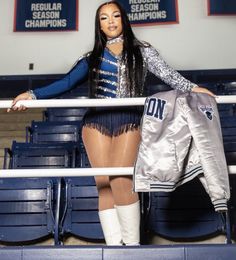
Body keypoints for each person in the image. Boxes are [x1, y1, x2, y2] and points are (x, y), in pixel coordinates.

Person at [8, 1, 214, 246]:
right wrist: (32, 95)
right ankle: (115, 248)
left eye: (115, 15)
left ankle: (132, 247)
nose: (111, 21)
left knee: (121, 180)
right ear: (99, 26)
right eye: (104, 18)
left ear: (124, 19)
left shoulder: (143, 50)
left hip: (129, 120)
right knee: (103, 184)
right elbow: (65, 83)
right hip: (96, 123)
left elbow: (169, 75)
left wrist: (194, 88)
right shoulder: (91, 57)